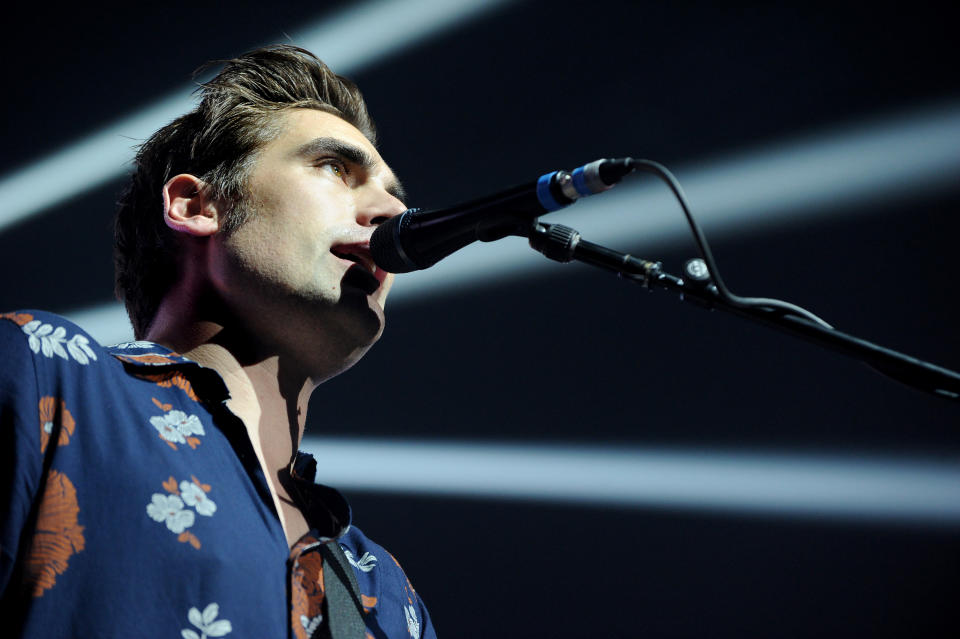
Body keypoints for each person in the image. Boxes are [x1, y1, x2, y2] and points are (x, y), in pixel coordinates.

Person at [0, 45, 435, 639]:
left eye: (393, 191)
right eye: (336, 167)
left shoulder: (385, 590)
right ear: (195, 205)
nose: (393, 210)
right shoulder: (38, 375)